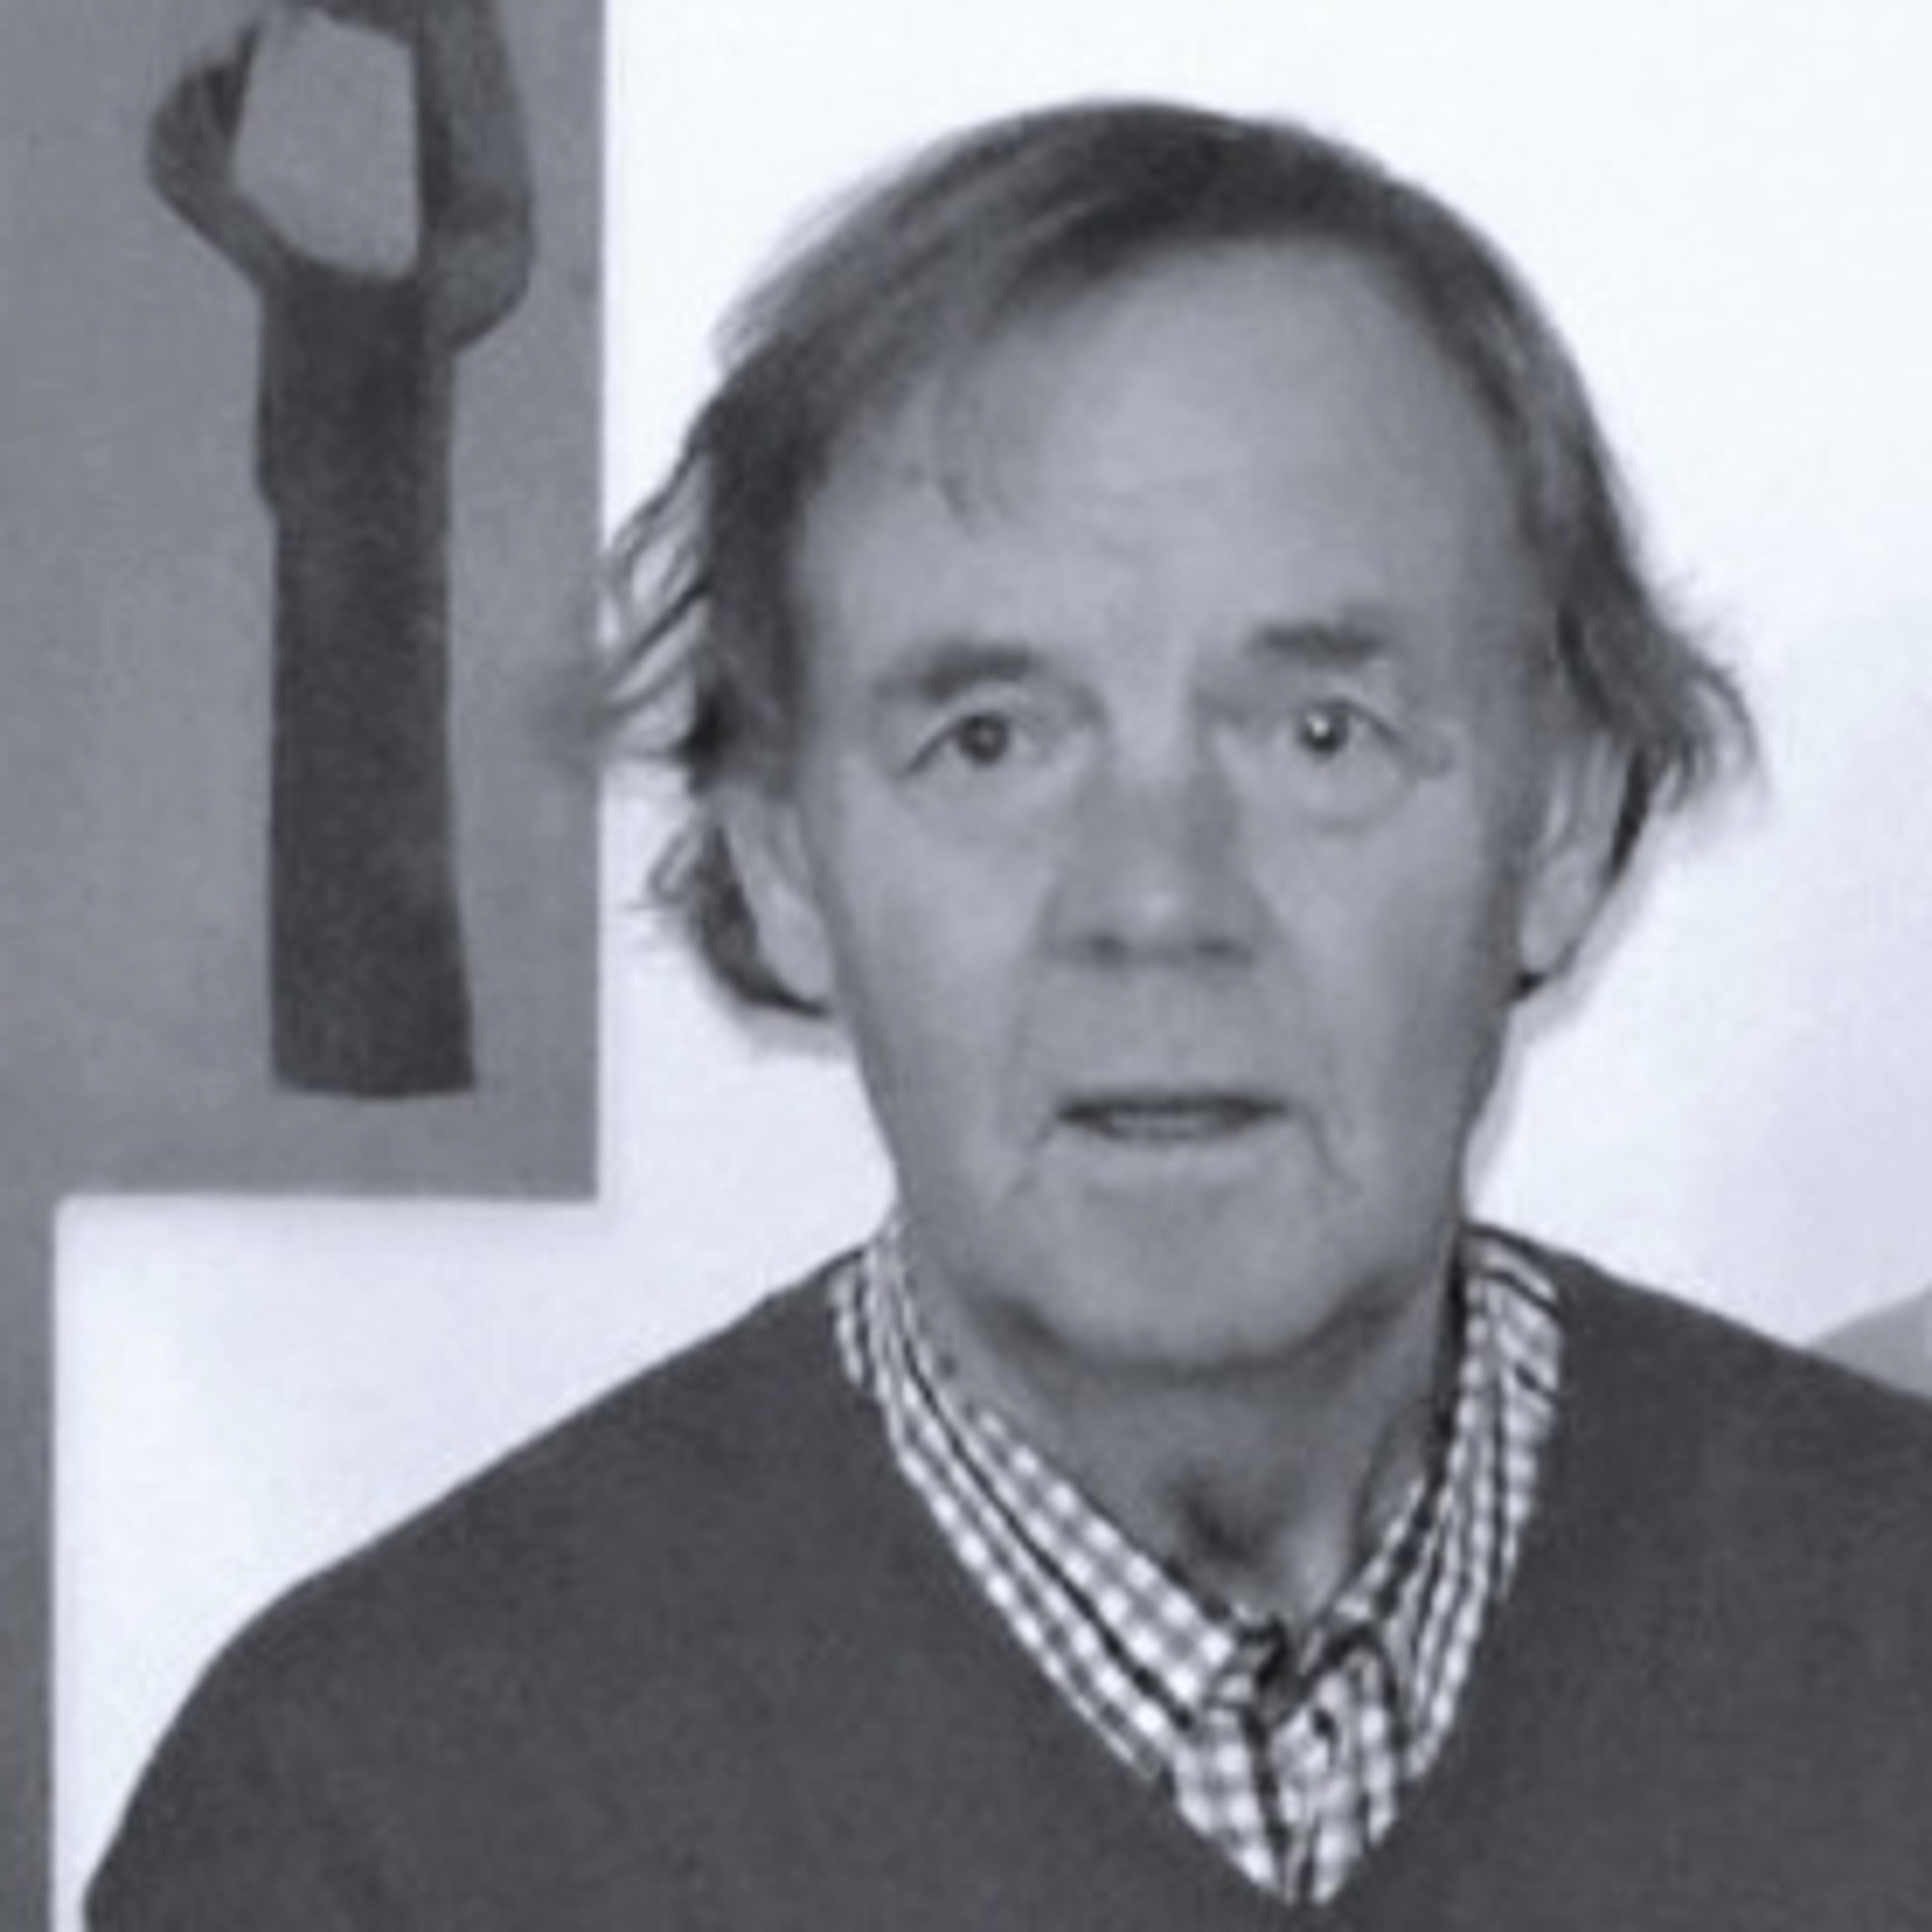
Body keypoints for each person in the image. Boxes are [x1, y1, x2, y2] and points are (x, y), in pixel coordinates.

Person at [93, 101, 1932, 1927]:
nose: (1157, 902)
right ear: (784, 860)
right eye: (988, 742)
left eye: (1321, 735)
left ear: (1562, 827)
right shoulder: (366, 1828)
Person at [146, 0, 532, 1096]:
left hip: (384, 437)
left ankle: (387, 1048)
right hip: (309, 423)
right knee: (314, 743)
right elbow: (182, 151)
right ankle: (327, 1045)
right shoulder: (286, 22)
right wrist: (264, 240)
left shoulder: (448, 23)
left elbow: (498, 247)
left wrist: (379, 288)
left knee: (378, 746)